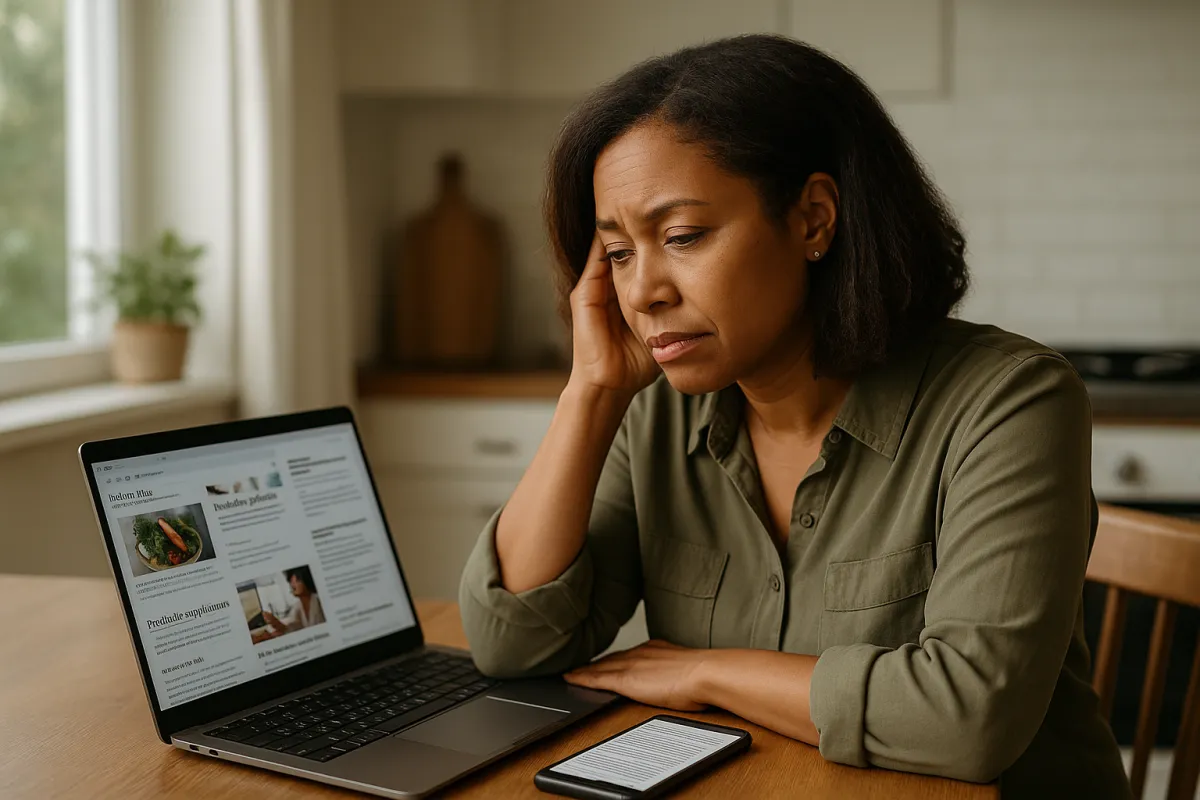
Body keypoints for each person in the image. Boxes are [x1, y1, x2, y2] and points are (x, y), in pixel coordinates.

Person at [458, 35, 1131, 797]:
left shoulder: (1010, 401)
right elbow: (513, 644)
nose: (643, 290)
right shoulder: (655, 417)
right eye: (616, 253)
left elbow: (970, 718)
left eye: (681, 237)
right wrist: (591, 392)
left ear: (813, 219)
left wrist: (706, 670)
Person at [258, 566, 325, 639]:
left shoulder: (320, 602)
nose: (292, 584)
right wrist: (276, 623)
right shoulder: (297, 607)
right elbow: (295, 628)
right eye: (290, 580)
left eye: (298, 580)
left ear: (308, 579)